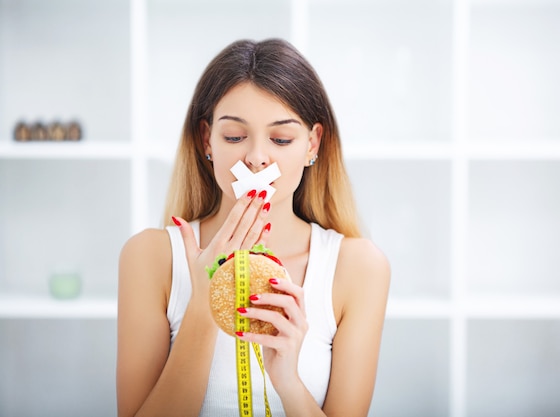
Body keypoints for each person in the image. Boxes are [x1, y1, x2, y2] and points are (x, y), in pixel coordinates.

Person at [116, 38, 390, 417]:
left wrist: (288, 380)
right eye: (234, 137)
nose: (257, 158)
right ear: (206, 140)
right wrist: (201, 308)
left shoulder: (358, 267)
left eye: (281, 139)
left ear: (312, 144)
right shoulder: (150, 257)